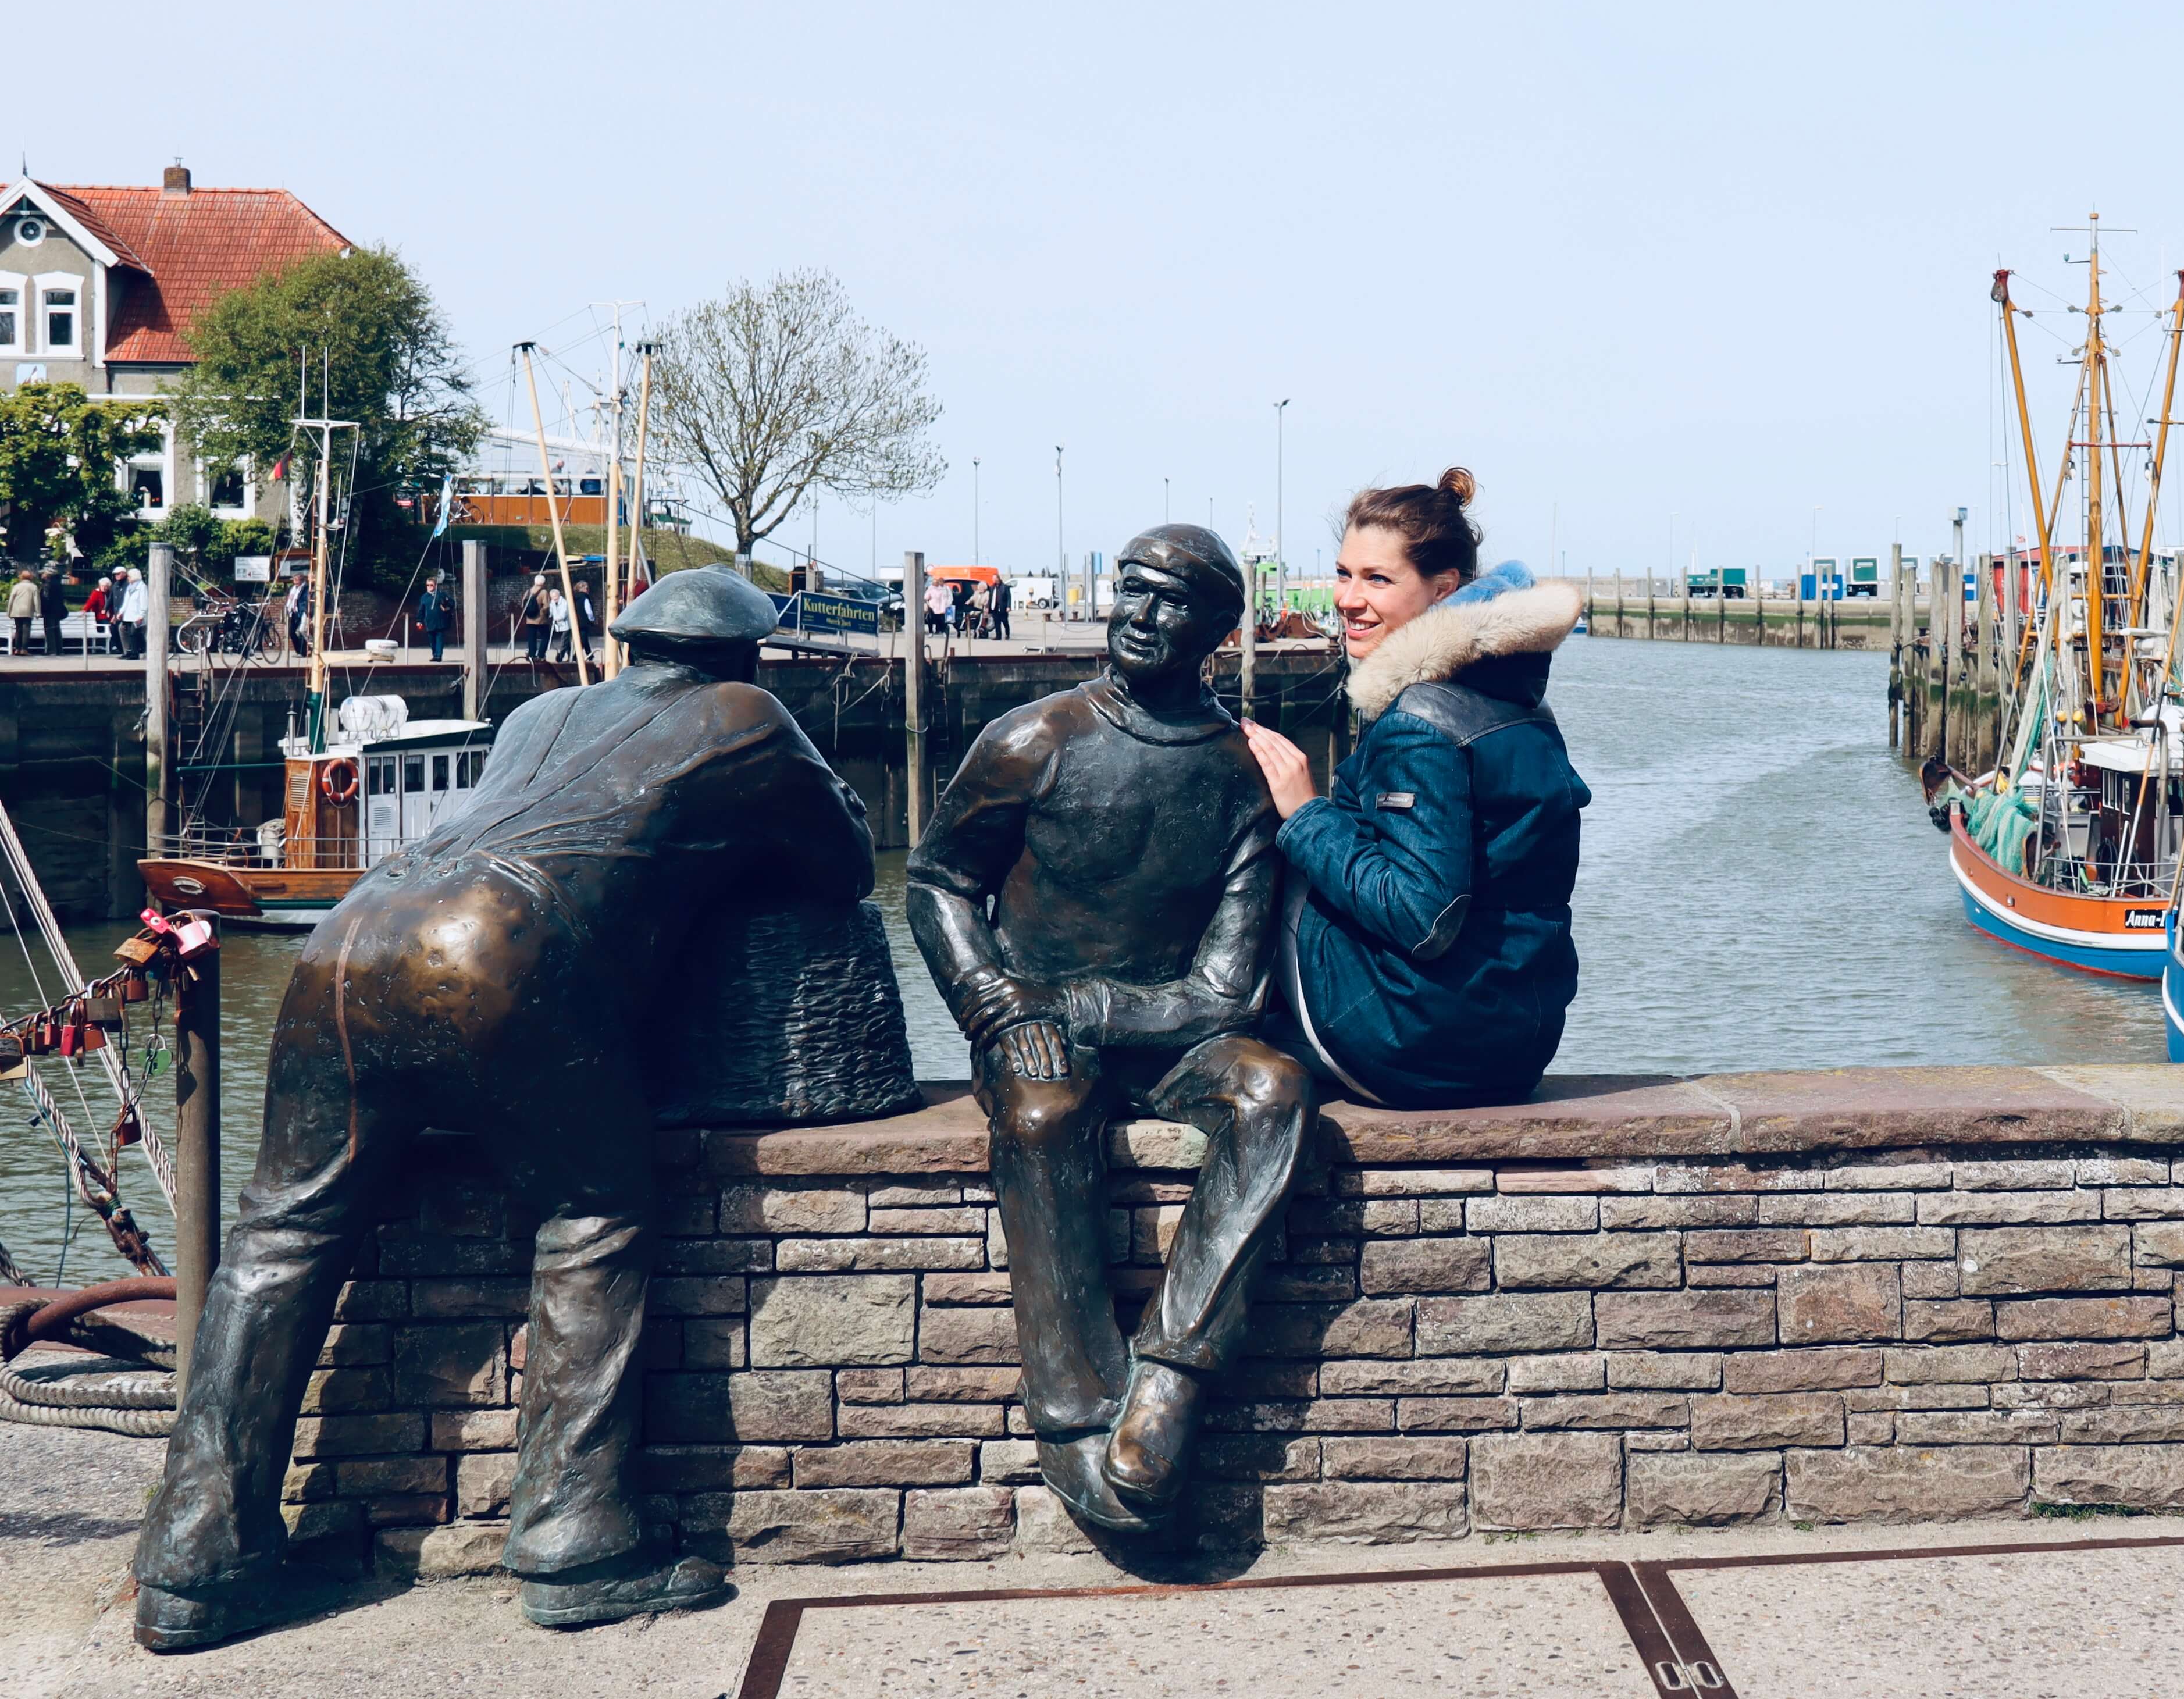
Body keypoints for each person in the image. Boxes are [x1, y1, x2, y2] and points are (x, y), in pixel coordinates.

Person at [133, 568, 872, 1648]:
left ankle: (193, 1560)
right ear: (747, 653)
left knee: (280, 1231)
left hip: (349, 934)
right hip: (502, 948)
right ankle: (577, 1537)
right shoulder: (747, 717)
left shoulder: (540, 710)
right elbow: (846, 865)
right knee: (593, 1215)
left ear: (631, 642)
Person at [907, 526, 1306, 1533]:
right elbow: (940, 879)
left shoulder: (1237, 774)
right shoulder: (1031, 738)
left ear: (1219, 627)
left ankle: (1171, 1374)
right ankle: (1075, 1404)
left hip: (1172, 1035)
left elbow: (1228, 983)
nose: (1141, 613)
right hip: (1037, 1030)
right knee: (1041, 1115)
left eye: (1172, 600)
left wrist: (1090, 1004)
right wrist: (995, 1002)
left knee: (1275, 1089)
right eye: (1132, 589)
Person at [1240, 469, 1590, 1110]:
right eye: (1343, 574)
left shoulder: (1420, 723)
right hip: (1514, 1044)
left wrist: (1306, 813)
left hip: (1414, 1049)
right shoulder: (1517, 701)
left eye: (1377, 579)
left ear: (1442, 590)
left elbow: (1421, 917)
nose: (1348, 599)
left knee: (1257, 850)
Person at [414, 574, 448, 662]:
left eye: (431, 585)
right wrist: (419, 621)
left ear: (435, 586)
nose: (429, 587)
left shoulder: (441, 595)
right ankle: (434, 655)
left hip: (440, 622)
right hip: (430, 623)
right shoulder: (424, 597)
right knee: (432, 641)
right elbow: (421, 610)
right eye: (427, 585)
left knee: (439, 640)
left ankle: (438, 656)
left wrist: (446, 607)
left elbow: (451, 604)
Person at [36, 561, 65, 657]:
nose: (42, 576)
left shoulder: (47, 585)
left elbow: (46, 598)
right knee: (57, 629)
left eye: (43, 574)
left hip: (49, 611)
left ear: (47, 575)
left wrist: (42, 610)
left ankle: (52, 650)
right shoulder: (58, 583)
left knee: (49, 630)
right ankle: (60, 649)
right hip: (58, 610)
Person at [6, 569, 36, 656]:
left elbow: (11, 599)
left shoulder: (17, 586)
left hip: (17, 611)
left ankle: (17, 649)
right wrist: (38, 612)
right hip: (27, 611)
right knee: (26, 630)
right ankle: (24, 649)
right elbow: (36, 601)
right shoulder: (33, 587)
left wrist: (9, 611)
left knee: (18, 630)